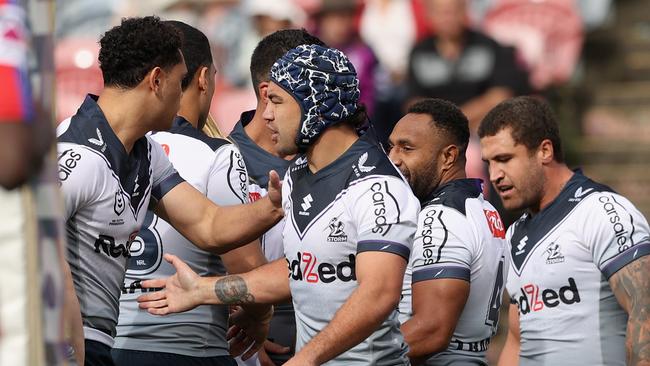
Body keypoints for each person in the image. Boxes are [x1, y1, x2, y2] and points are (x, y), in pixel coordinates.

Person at [138, 44, 420, 365]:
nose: (266, 114)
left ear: (316, 105)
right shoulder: (297, 173)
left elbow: (379, 294)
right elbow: (301, 269)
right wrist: (202, 290)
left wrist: (307, 358)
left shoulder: (379, 186)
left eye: (276, 101)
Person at [56, 16, 283, 366]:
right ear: (157, 81)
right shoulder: (78, 155)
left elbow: (208, 225)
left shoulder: (145, 152)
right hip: (69, 341)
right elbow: (28, 246)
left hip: (102, 341)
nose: (182, 96)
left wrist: (270, 208)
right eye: (180, 81)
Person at [111, 21, 270, 366]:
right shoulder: (216, 154)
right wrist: (260, 319)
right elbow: (244, 265)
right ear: (202, 78)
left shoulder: (110, 146)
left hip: (106, 345)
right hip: (187, 348)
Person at [478, 96, 650, 366]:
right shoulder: (513, 235)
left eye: (504, 159)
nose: (494, 174)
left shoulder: (601, 211)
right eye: (488, 163)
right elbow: (516, 340)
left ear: (544, 151)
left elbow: (645, 313)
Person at [228, 28, 326, 365]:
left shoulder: (333, 160)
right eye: (314, 87)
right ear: (268, 92)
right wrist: (252, 336)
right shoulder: (222, 164)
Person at [389, 98, 508, 365]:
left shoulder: (440, 216)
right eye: (391, 146)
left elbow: (431, 331)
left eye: (406, 148)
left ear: (448, 156)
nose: (393, 159)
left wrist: (353, 358)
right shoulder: (484, 208)